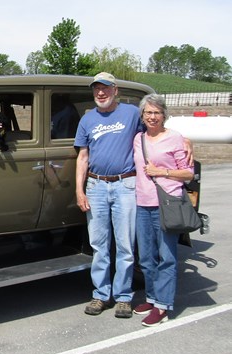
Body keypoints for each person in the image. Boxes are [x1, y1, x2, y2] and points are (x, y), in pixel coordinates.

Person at [74, 72, 143, 318]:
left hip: (125, 184)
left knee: (125, 244)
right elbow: (83, 157)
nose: (100, 93)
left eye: (105, 89)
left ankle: (124, 296)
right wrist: (79, 190)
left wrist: (183, 141)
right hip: (96, 186)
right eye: (96, 89)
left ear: (115, 90)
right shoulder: (87, 120)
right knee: (99, 245)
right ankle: (101, 294)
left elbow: (154, 133)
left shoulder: (132, 114)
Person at [132, 94, 194, 327]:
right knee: (146, 257)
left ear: (164, 115)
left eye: (157, 112)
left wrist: (162, 172)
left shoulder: (175, 138)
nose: (152, 116)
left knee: (166, 257)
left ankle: (163, 306)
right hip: (142, 203)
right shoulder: (139, 139)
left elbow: (188, 173)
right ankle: (151, 297)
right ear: (143, 115)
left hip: (166, 203)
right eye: (148, 112)